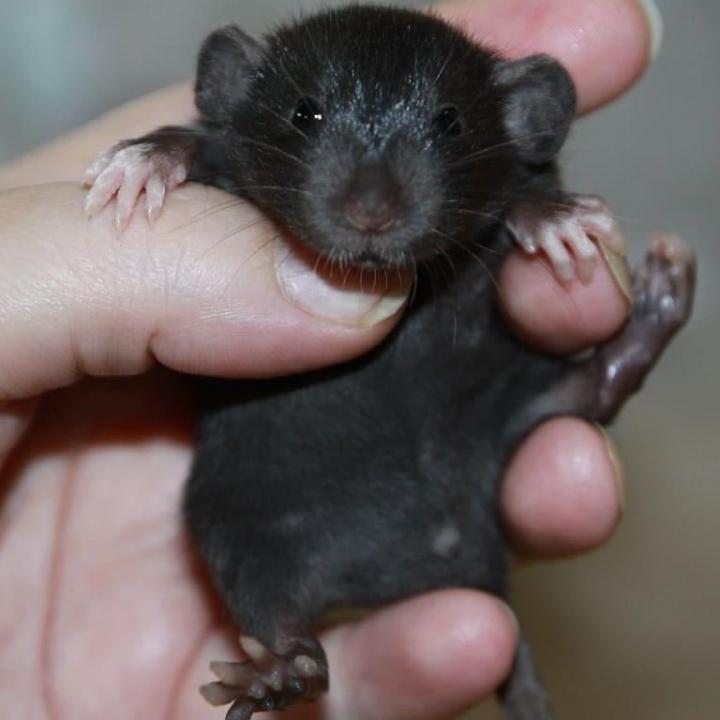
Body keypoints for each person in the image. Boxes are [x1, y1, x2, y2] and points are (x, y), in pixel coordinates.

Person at [0, 0, 661, 717]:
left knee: (544, 364)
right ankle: (291, 647)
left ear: (527, 117)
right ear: (233, 90)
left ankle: (606, 367)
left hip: (462, 482)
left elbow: (512, 182)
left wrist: (542, 212)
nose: (373, 199)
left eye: (444, 126)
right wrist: (162, 153)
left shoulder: (499, 186)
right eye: (310, 118)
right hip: (295, 511)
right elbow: (212, 150)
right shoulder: (223, 151)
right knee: (223, 520)